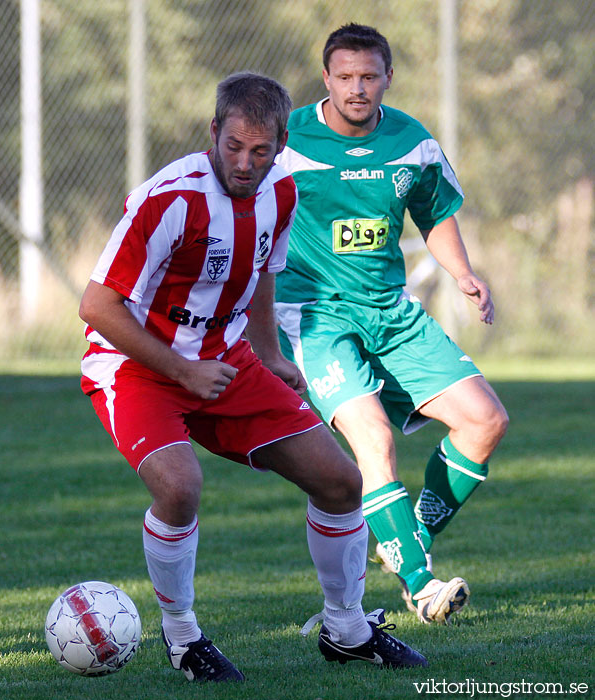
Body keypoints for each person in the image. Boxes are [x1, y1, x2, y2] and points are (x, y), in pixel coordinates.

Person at [79, 72, 427, 683]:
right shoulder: (169, 198)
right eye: (233, 146)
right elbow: (97, 306)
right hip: (136, 365)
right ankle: (184, 638)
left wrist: (267, 354)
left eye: (260, 150)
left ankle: (346, 630)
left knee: (343, 483)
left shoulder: (283, 192)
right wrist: (182, 370)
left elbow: (264, 274)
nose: (244, 163)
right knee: (180, 489)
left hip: (224, 360)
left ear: (280, 144)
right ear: (213, 132)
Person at [274, 24, 509, 625]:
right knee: (373, 441)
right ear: (325, 78)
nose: (357, 88)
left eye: (369, 76)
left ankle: (408, 536)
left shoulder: (412, 141)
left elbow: (434, 210)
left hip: (391, 310)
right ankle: (420, 583)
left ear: (388, 77)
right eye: (345, 76)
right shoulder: (287, 139)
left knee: (484, 421)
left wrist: (462, 274)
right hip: (314, 316)